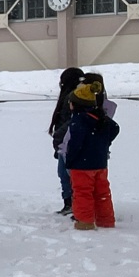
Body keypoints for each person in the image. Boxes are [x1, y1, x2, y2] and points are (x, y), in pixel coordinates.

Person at [65, 79, 119, 230]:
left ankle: (85, 222)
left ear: (75, 104)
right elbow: (115, 128)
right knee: (102, 192)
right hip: (100, 163)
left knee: (82, 193)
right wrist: (103, 143)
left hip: (81, 165)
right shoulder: (100, 117)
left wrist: (70, 159)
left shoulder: (78, 120)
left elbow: (75, 143)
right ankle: (106, 220)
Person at [49, 67, 86, 215]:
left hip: (68, 143)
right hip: (66, 143)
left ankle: (74, 204)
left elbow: (71, 122)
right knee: (65, 174)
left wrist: (58, 137)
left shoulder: (74, 98)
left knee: (68, 175)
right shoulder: (73, 97)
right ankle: (71, 203)